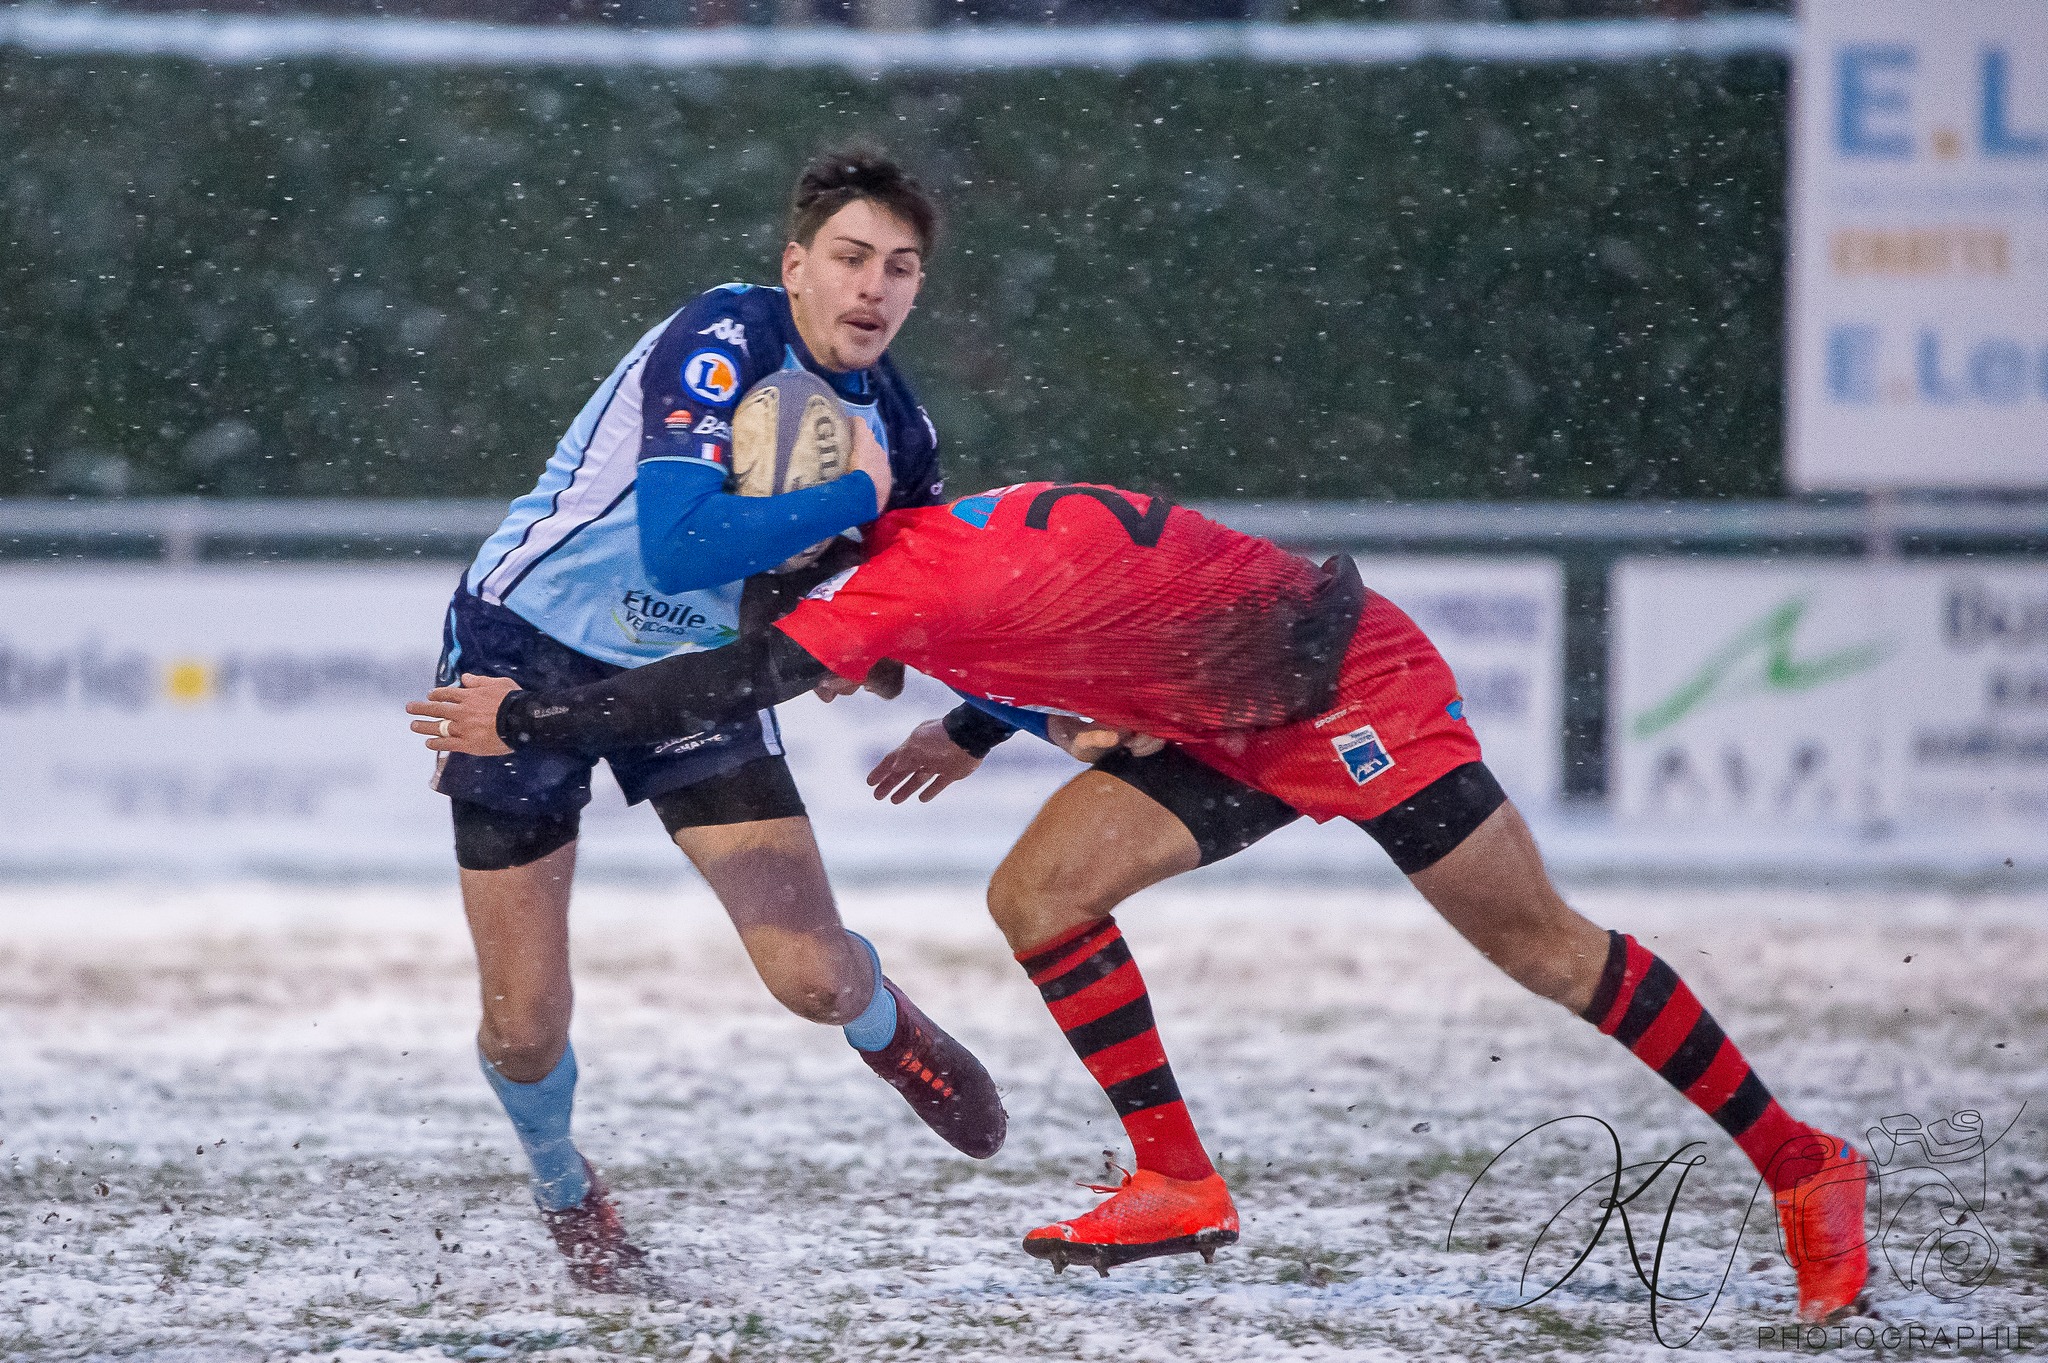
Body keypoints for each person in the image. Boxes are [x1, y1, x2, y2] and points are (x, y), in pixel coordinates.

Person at [409, 479, 1870, 1322]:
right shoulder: (938, 546)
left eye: (816, 642)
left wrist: (525, 719)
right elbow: (1068, 610)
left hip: (1346, 688)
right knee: (1038, 894)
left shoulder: (877, 599)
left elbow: (726, 682)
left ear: (812, 588)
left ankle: (1801, 1160)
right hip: (1224, 721)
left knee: (1546, 952)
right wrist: (971, 726)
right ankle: (1177, 1178)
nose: (834, 677)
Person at [430, 148, 1004, 1292]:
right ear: (795, 265)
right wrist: (849, 499)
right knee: (524, 1025)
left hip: (691, 679)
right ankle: (563, 1186)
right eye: (849, 257)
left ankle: (883, 1021)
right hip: (521, 649)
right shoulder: (725, 335)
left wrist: (935, 688)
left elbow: (928, 608)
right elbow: (677, 545)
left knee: (813, 979)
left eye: (899, 268)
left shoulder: (900, 428)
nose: (872, 287)